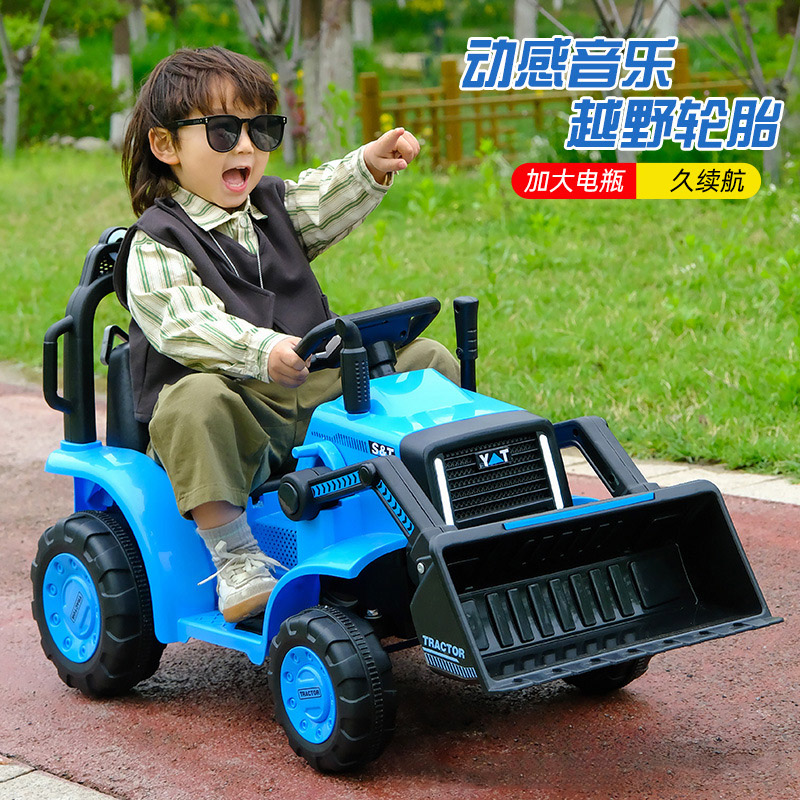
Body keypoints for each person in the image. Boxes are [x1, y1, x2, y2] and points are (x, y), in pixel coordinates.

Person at [114, 46, 459, 624]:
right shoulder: (155, 242)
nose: (246, 147)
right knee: (193, 402)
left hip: (314, 391)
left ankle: (443, 504)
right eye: (223, 131)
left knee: (428, 359)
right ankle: (236, 557)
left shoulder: (270, 206)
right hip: (236, 414)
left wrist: (370, 165)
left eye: (262, 130)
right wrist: (262, 349)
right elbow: (185, 322)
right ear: (166, 145)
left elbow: (320, 202)